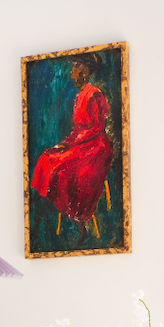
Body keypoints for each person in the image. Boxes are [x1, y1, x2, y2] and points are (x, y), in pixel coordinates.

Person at [31, 56, 114, 237]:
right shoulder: (79, 97)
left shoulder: (95, 94)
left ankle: (79, 219)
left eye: (74, 69)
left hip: (96, 146)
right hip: (81, 143)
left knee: (68, 168)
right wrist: (66, 143)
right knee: (48, 157)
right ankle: (61, 210)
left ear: (83, 71)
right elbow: (78, 129)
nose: (70, 74)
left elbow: (95, 128)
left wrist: (72, 144)